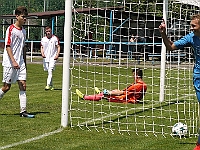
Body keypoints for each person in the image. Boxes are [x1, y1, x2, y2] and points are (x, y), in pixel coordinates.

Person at [158, 14, 200, 150]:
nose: (191, 28)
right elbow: (170, 46)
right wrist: (163, 34)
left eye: (193, 25)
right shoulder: (190, 38)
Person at [0, 6, 34, 118]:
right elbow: (8, 46)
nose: (25, 19)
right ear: (17, 16)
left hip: (21, 63)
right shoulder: (11, 29)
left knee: (23, 85)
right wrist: (13, 61)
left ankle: (23, 111)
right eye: (23, 17)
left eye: (26, 17)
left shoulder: (23, 31)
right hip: (10, 63)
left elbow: (23, 47)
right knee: (6, 87)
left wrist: (24, 62)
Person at [76, 68, 147, 104]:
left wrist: (109, 93)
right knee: (113, 91)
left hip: (126, 100)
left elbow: (121, 93)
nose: (133, 77)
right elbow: (126, 92)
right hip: (131, 99)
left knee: (104, 95)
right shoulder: (143, 85)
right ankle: (101, 93)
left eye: (133, 75)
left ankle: (85, 97)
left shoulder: (136, 85)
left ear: (136, 75)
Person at [40, 26, 60, 90]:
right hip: (46, 57)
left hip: (53, 57)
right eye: (47, 31)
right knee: (48, 71)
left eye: (49, 31)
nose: (48, 33)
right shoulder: (43, 39)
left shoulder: (55, 38)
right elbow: (42, 47)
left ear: (51, 31)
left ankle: (48, 85)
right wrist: (42, 53)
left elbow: (58, 47)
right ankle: (52, 85)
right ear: (45, 32)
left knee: (50, 70)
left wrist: (57, 55)